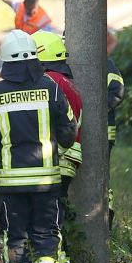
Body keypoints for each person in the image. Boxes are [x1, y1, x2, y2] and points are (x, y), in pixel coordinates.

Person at [0, 30, 77, 263]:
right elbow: (68, 130)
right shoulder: (51, 88)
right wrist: (58, 150)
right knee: (46, 235)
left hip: (11, 185)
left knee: (16, 239)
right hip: (47, 183)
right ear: (35, 59)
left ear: (6, 63)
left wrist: (2, 156)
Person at [31, 30, 83, 198]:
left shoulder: (48, 82)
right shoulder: (65, 82)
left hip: (53, 160)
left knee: (44, 217)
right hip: (66, 160)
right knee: (54, 214)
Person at [106, 30, 125, 229]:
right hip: (76, 134)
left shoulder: (107, 65)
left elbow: (118, 92)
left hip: (104, 132)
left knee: (102, 174)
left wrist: (98, 110)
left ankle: (106, 209)